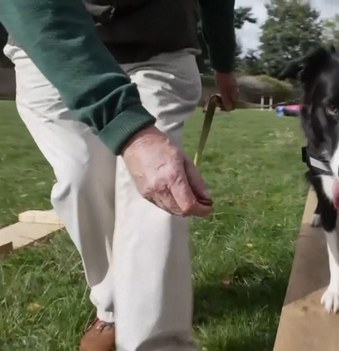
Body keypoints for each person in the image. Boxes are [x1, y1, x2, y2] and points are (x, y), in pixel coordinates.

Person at [0, 1, 239, 350]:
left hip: (157, 41)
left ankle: (158, 342)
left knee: (156, 193)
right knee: (79, 177)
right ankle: (113, 307)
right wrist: (132, 132)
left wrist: (223, 62)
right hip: (52, 37)